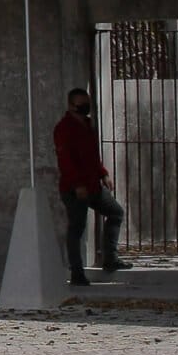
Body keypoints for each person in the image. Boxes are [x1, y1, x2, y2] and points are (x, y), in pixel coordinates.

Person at [51, 87, 128, 286]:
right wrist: (77, 185)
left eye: (86, 103)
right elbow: (65, 160)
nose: (85, 107)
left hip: (92, 185)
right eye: (80, 104)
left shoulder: (87, 124)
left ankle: (110, 259)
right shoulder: (64, 128)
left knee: (115, 212)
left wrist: (103, 174)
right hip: (74, 188)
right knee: (77, 228)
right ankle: (76, 273)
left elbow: (93, 156)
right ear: (70, 105)